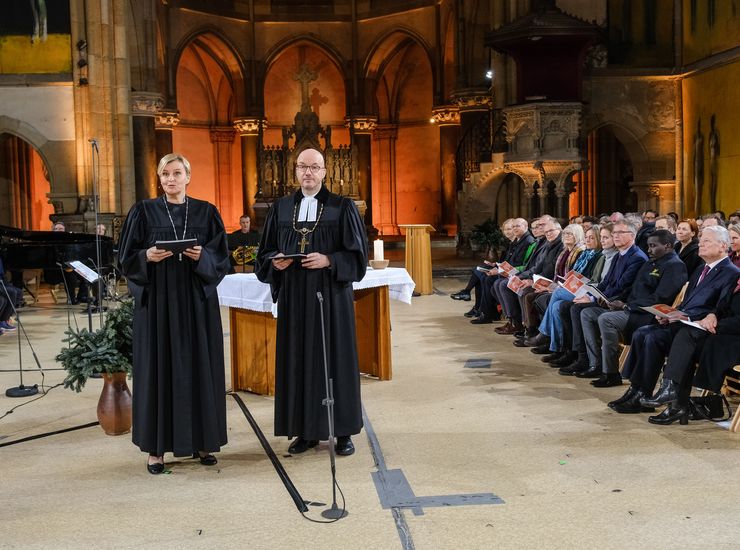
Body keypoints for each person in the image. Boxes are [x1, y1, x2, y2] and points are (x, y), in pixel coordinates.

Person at [117, 153, 230, 474]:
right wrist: (147, 256)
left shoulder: (207, 212)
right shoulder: (142, 211)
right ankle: (156, 450)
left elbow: (222, 259)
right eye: (165, 174)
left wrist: (202, 256)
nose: (171, 179)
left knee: (200, 368)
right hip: (158, 304)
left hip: (196, 303)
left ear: (188, 177)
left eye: (177, 173)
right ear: (159, 178)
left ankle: (204, 441)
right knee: (157, 370)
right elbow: (125, 259)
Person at [255, 148, 368, 457]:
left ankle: (342, 431)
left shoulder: (342, 207)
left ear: (324, 172)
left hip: (330, 297)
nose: (308, 172)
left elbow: (358, 257)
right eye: (302, 166)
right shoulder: (280, 208)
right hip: (294, 297)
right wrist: (274, 261)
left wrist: (329, 259)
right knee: (299, 361)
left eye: (314, 167)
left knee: (335, 361)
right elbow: (264, 252)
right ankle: (305, 431)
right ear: (295, 171)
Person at [613, 226, 740, 415]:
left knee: (659, 337)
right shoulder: (700, 269)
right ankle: (639, 390)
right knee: (645, 333)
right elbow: (688, 302)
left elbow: (718, 309)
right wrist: (671, 313)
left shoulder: (730, 272)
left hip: (701, 330)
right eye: (702, 239)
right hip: (685, 323)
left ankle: (667, 390)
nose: (701, 244)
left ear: (722, 246)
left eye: (706, 241)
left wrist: (688, 316)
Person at [575, 230, 687, 386]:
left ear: (668, 246)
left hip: (645, 315)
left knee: (606, 319)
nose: (649, 250)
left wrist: (627, 305)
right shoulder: (651, 262)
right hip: (629, 307)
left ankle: (611, 373)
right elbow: (631, 289)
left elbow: (660, 298)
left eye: (653, 246)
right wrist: (610, 300)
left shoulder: (675, 266)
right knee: (587, 313)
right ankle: (595, 364)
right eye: (648, 246)